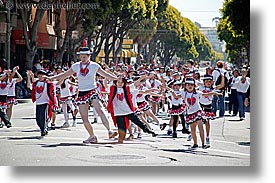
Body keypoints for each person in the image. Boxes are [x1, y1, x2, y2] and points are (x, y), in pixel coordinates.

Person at [47, 47, 118, 143]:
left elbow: (105, 74)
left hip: (92, 90)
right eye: (81, 57)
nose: (82, 59)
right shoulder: (76, 66)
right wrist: (52, 78)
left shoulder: (94, 65)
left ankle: (110, 131)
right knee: (84, 117)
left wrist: (116, 78)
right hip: (81, 92)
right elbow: (65, 75)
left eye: (84, 57)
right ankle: (92, 136)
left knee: (100, 109)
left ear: (89, 56)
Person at [107, 75, 157, 143]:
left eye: (122, 82)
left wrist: (141, 78)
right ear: (115, 83)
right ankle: (120, 138)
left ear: (124, 83)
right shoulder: (113, 89)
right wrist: (115, 77)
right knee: (122, 128)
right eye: (118, 82)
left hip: (128, 110)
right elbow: (108, 81)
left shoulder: (127, 88)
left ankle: (148, 130)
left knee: (138, 121)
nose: (120, 84)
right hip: (118, 112)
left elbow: (135, 84)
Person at [31, 70, 58, 136]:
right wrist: (30, 76)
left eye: (42, 75)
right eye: (39, 75)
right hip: (38, 102)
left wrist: (47, 77)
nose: (40, 77)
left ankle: (43, 130)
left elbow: (57, 81)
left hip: (45, 102)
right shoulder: (36, 83)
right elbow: (30, 85)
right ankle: (43, 128)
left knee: (43, 117)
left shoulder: (48, 83)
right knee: (38, 119)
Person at [199, 75, 216, 146]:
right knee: (198, 121)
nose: (208, 83)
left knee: (207, 122)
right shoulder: (200, 88)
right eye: (207, 81)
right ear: (204, 82)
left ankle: (207, 136)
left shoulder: (213, 89)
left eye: (210, 81)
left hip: (208, 106)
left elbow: (221, 85)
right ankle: (192, 133)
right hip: (200, 105)